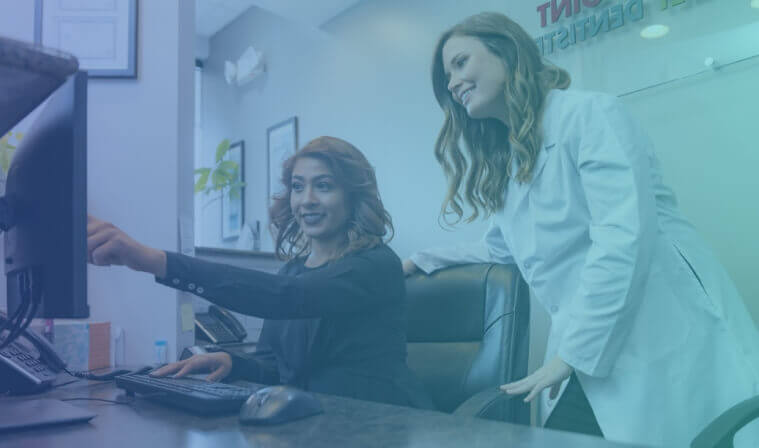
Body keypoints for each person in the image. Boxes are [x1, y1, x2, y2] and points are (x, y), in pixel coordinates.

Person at [403, 12, 759, 447]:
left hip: (656, 328)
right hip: (588, 341)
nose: (453, 83)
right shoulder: (516, 162)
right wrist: (420, 260)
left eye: (460, 63)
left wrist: (571, 355)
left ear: (507, 52)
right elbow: (500, 249)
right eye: (446, 76)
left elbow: (623, 238)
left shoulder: (591, 115)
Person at [87, 136, 433, 409]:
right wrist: (232, 363)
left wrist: (153, 259)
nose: (306, 199)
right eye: (298, 186)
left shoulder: (375, 263)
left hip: (379, 423)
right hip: (312, 421)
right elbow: (275, 368)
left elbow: (287, 297)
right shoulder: (294, 270)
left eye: (323, 186)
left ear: (353, 197)